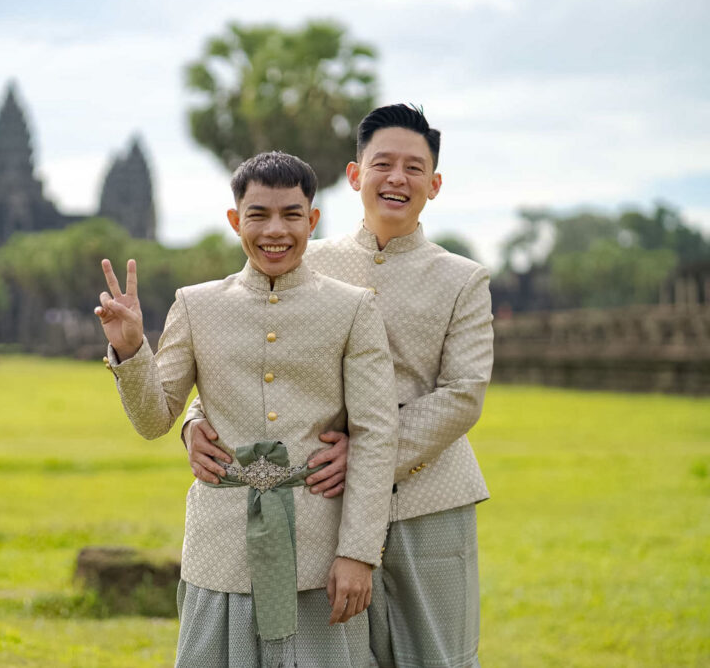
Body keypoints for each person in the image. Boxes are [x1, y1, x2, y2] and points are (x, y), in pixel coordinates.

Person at [185, 105, 494, 668]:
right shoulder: (305, 258)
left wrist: (369, 453)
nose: (397, 178)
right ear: (355, 176)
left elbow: (464, 393)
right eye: (383, 164)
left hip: (428, 502)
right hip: (320, 509)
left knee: (436, 657)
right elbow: (247, 348)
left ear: (434, 184)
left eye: (414, 168)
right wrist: (194, 419)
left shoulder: (462, 278)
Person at [95, 152, 399, 666]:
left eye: (291, 214)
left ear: (312, 220)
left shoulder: (353, 307)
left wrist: (358, 552)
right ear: (236, 220)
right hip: (221, 551)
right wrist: (130, 349)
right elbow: (154, 419)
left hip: (319, 554)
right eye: (258, 215)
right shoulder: (196, 305)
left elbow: (375, 433)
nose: (274, 230)